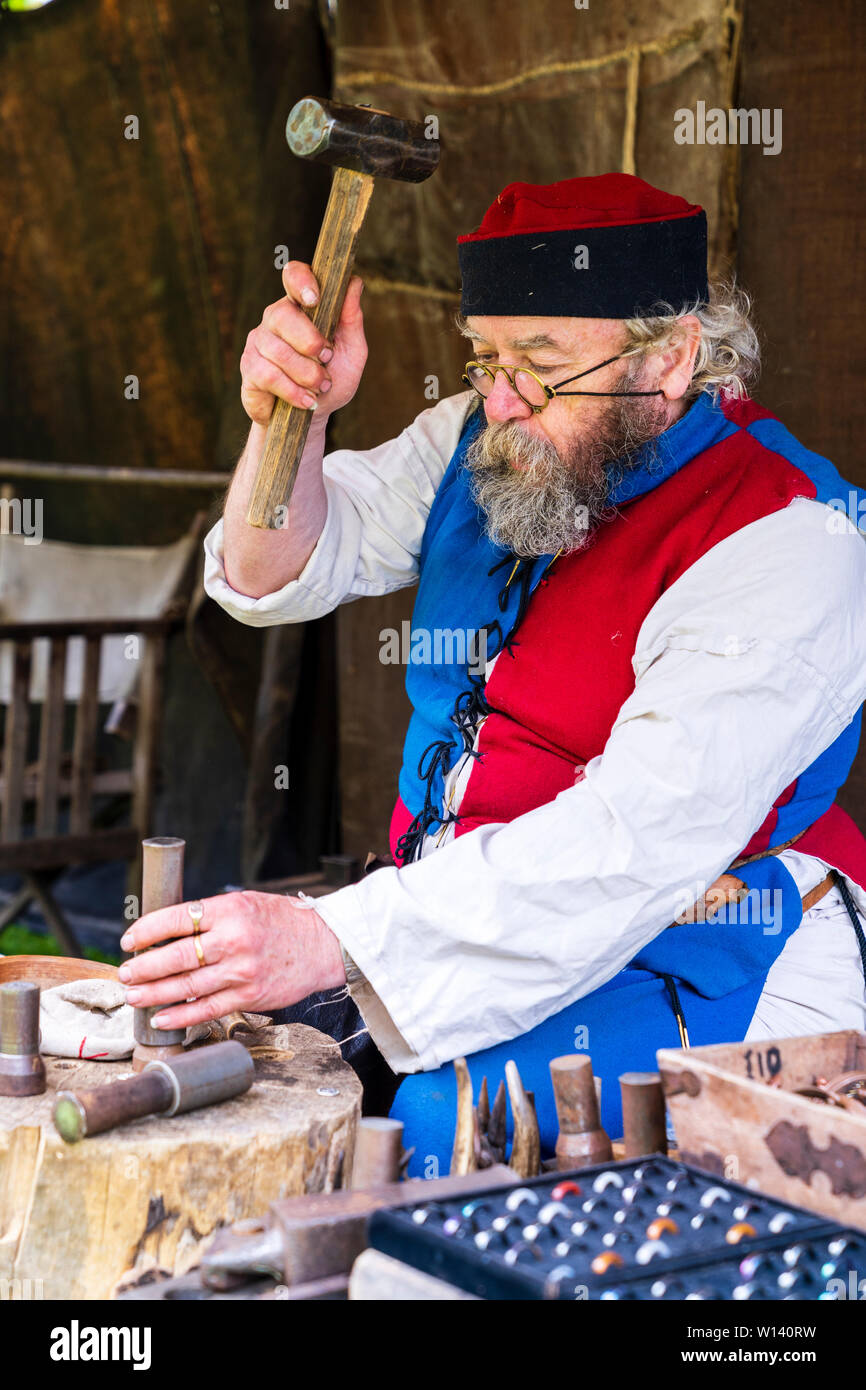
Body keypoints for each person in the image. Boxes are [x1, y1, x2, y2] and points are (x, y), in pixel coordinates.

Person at [118, 174, 866, 1174]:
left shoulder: (789, 537)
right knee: (247, 1085)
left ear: (671, 355)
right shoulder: (477, 437)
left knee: (443, 1123)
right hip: (457, 920)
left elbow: (632, 841)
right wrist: (285, 418)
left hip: (704, 938)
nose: (499, 397)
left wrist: (324, 938)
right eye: (485, 356)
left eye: (541, 365)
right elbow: (270, 569)